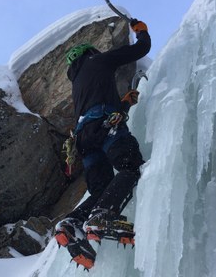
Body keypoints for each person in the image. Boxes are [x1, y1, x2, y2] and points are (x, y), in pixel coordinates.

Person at [55, 19, 151, 269]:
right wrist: (141, 32)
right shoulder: (97, 61)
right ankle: (102, 216)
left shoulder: (77, 84)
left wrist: (124, 104)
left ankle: (72, 223)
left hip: (85, 140)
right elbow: (139, 51)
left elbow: (93, 108)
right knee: (130, 167)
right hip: (106, 127)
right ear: (90, 53)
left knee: (101, 190)